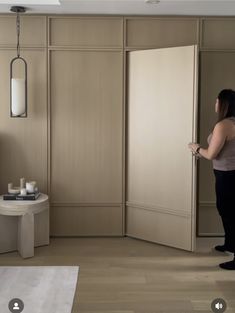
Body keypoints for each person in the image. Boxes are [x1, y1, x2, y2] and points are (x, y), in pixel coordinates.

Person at [188, 89, 235, 270]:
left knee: (229, 213)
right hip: (229, 174)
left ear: (224, 104)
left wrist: (196, 147)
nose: (215, 104)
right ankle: (230, 244)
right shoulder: (230, 123)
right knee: (227, 211)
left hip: (227, 176)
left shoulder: (223, 125)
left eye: (217, 101)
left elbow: (212, 154)